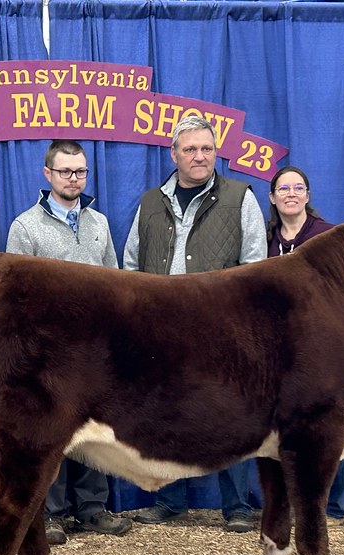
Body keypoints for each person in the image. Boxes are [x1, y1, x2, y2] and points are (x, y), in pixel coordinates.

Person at [122, 115, 267, 533]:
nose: (199, 156)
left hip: (223, 329)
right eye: (190, 149)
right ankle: (169, 499)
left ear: (215, 151)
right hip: (160, 329)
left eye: (206, 148)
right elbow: (132, 264)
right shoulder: (151, 202)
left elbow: (255, 266)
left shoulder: (241, 197)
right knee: (165, 411)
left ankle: (237, 505)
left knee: (232, 412)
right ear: (174, 154)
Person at [5, 139, 132, 545]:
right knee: (54, 430)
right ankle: (54, 512)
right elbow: (16, 297)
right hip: (50, 351)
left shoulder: (99, 224)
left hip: (95, 349)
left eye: (80, 172)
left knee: (95, 428)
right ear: (48, 175)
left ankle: (93, 507)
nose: (73, 179)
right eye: (65, 172)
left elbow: (114, 280)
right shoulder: (25, 227)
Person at [266, 165, 344, 520]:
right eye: (284, 189)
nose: (291, 194)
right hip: (276, 349)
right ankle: (284, 508)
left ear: (308, 196)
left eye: (298, 188)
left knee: (325, 422)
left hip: (321, 346)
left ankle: (329, 504)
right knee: (281, 427)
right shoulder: (267, 240)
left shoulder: (327, 236)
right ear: (272, 198)